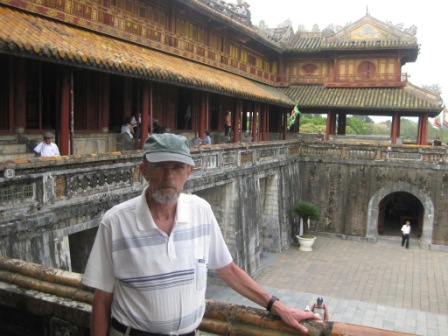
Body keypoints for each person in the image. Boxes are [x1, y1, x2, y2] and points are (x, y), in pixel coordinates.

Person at [82, 133, 318, 336]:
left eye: (177, 167)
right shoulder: (116, 222)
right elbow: (102, 299)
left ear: (189, 172)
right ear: (144, 171)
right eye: (160, 166)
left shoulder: (200, 211)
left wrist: (277, 306)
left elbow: (228, 270)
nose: (169, 175)